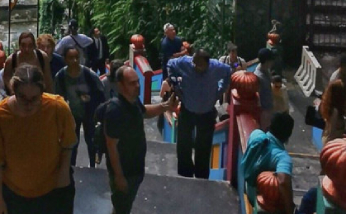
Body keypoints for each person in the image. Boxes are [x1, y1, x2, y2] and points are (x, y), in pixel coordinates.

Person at [0, 64, 77, 214]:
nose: (29, 105)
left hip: (54, 188)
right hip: (15, 193)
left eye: (34, 98)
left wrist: (64, 173)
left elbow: (68, 142)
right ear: (14, 91)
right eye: (23, 98)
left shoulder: (57, 107)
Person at [104, 66, 179, 214]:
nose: (137, 86)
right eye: (132, 83)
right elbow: (111, 145)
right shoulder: (115, 110)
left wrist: (166, 106)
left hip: (135, 168)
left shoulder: (132, 101)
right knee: (122, 207)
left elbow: (144, 111)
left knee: (125, 205)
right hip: (125, 172)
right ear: (120, 85)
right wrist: (119, 176)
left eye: (138, 82)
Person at [161, 48, 231, 179]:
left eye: (200, 65)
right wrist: (176, 85)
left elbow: (228, 71)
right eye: (195, 64)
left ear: (207, 63)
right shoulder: (185, 63)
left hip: (207, 111)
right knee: (184, 143)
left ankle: (201, 175)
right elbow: (170, 64)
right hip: (188, 109)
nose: (197, 67)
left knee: (203, 146)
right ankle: (185, 173)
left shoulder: (216, 67)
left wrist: (220, 90)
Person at [54, 46, 106, 168]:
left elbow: (101, 93)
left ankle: (93, 166)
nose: (74, 61)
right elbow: (57, 97)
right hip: (71, 114)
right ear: (65, 59)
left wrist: (91, 99)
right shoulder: (61, 76)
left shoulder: (88, 74)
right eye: (71, 58)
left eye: (77, 57)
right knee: (72, 142)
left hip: (89, 113)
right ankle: (72, 167)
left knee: (91, 140)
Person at [240, 112, 295, 214]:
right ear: (288, 135)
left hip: (247, 186)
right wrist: (290, 209)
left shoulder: (256, 134)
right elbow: (283, 182)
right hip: (262, 199)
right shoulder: (282, 157)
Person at [256, 48, 276, 130]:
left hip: (269, 108)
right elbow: (257, 97)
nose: (272, 62)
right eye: (271, 60)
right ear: (267, 61)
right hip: (264, 112)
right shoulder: (258, 77)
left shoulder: (265, 70)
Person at [321, 79, 346, 146]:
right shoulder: (335, 112)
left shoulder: (329, 107)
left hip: (327, 140)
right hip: (332, 143)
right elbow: (334, 132)